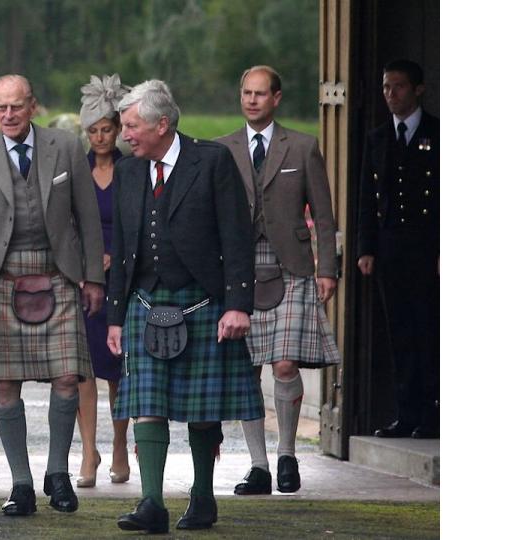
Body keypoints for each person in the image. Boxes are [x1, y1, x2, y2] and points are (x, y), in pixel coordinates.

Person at [107, 80, 263, 534]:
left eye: (132, 126)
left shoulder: (211, 162)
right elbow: (122, 249)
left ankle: (202, 495)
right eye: (123, 126)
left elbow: (237, 236)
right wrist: (116, 317)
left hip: (202, 301)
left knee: (202, 406)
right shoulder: (129, 171)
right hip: (144, 302)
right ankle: (151, 503)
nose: (125, 135)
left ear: (162, 123)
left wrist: (238, 305)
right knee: (146, 403)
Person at [0, 74, 106, 516]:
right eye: (1, 108)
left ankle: (58, 473)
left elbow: (88, 218)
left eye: (17, 106)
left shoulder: (66, 147)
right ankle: (21, 484)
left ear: (32, 106)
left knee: (68, 377)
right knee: (4, 384)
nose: (9, 115)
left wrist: (93, 278)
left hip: (59, 273)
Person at [216, 65, 342, 496]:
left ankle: (287, 455)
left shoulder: (303, 147)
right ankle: (258, 467)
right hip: (239, 268)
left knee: (284, 363)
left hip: (291, 265)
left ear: (277, 98)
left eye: (259, 93)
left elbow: (323, 215)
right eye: (245, 93)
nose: (251, 100)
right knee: (245, 370)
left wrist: (327, 268)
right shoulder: (221, 149)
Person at [357, 59, 439, 440]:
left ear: (418, 89)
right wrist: (365, 248)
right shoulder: (377, 137)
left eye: (399, 87)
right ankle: (406, 413)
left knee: (430, 331)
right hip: (391, 249)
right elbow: (367, 199)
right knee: (399, 333)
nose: (391, 94)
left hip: (427, 248)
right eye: (386, 87)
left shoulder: (437, 133)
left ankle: (433, 413)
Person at [74, 74, 131, 488]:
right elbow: (67, 223)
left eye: (106, 129)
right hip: (84, 281)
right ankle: (88, 452)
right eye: (92, 131)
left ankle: (119, 445)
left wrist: (118, 259)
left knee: (117, 368)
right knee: (83, 369)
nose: (100, 137)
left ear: (118, 130)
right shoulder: (77, 171)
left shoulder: (133, 170)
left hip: (124, 280)